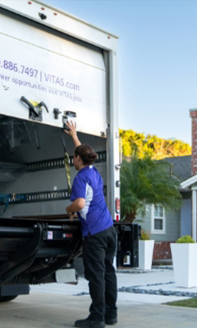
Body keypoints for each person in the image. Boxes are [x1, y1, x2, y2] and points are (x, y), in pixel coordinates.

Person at [64, 121, 118, 328]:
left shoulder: (80, 178)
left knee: (96, 276)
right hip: (108, 230)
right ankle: (110, 315)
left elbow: (78, 203)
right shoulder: (93, 172)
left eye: (74, 157)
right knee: (108, 272)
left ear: (78, 159)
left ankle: (96, 319)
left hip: (94, 234)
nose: (73, 159)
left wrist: (68, 210)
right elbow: (82, 152)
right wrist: (74, 136)